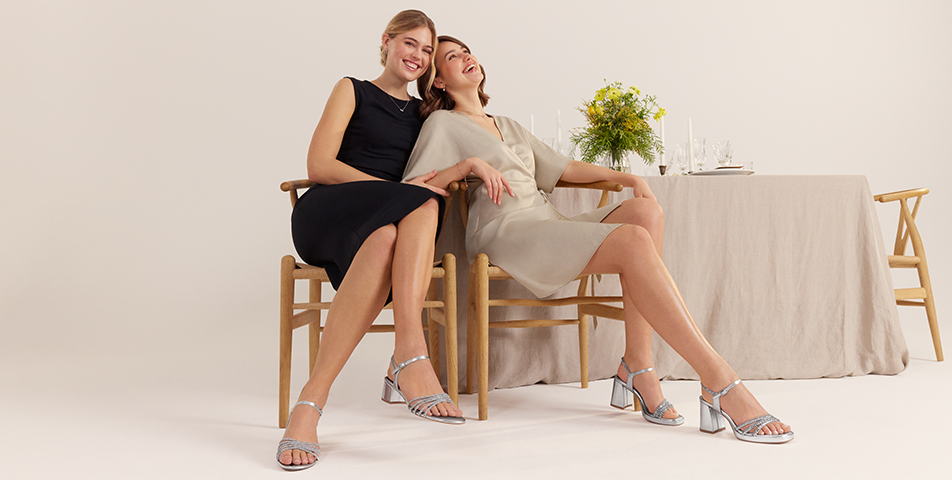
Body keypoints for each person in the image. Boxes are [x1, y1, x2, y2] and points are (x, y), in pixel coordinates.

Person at [401, 35, 793, 444]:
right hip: (505, 232)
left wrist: (629, 179)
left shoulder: (508, 125)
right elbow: (412, 184)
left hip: (544, 222)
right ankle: (719, 380)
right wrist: (467, 165)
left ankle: (639, 365)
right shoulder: (441, 123)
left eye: (467, 51)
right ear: (439, 82)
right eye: (451, 57)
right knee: (633, 242)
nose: (466, 57)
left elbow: (563, 167)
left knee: (645, 212)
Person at [277, 10, 497, 470]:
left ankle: (308, 406)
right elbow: (319, 165)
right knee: (418, 202)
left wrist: (472, 164)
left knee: (393, 230)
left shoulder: (426, 116)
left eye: (427, 51)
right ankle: (409, 353)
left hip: (385, 227)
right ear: (388, 41)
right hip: (330, 211)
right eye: (410, 44)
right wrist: (393, 191)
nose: (417, 56)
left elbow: (431, 177)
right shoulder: (352, 89)